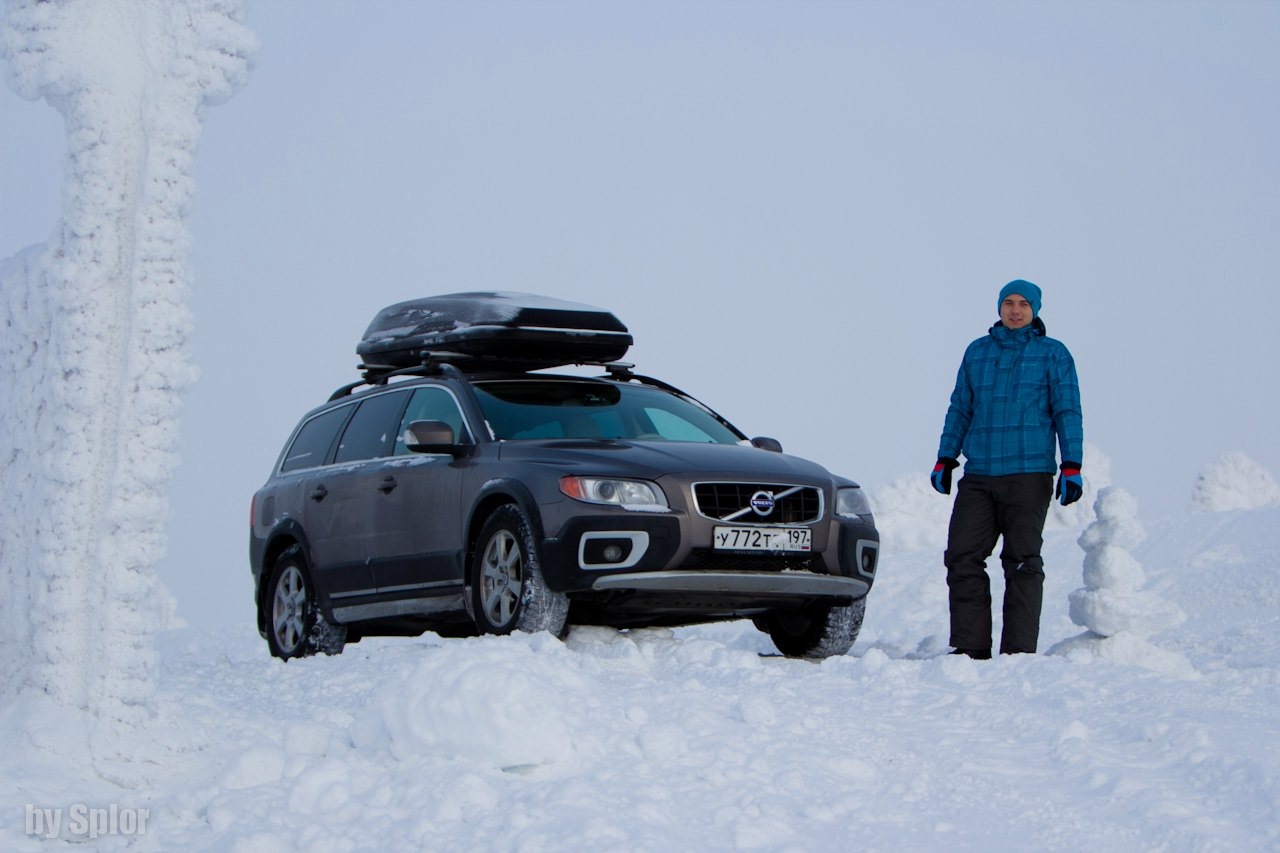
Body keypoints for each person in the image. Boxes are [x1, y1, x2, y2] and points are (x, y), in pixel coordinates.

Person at [930, 280, 1083, 658]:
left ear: (1036, 310)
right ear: (999, 307)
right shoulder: (977, 352)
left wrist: (1071, 465)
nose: (1015, 310)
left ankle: (1018, 654)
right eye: (1008, 303)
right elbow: (961, 407)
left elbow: (1067, 411)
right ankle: (969, 649)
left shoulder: (1053, 354)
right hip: (980, 473)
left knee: (1022, 561)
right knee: (962, 557)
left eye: (1024, 304)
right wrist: (946, 457)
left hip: (1029, 474)